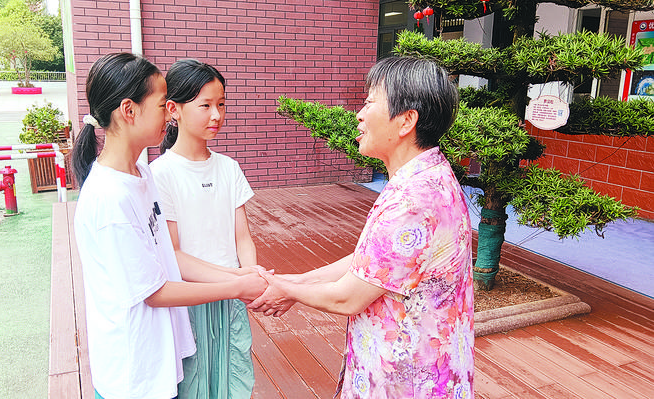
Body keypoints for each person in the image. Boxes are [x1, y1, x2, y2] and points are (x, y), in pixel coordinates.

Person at [249, 56, 474, 399]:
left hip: (407, 381)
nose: (359, 114)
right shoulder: (428, 177)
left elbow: (348, 296)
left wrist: (287, 290)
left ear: (406, 121)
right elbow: (371, 264)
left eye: (370, 102)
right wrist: (291, 282)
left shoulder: (413, 200)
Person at [71, 52, 267, 399]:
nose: (169, 112)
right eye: (163, 105)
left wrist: (243, 276)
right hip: (133, 377)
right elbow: (156, 291)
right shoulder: (110, 199)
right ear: (129, 111)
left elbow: (166, 258)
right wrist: (238, 286)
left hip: (159, 358)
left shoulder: (140, 175)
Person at [150, 59, 257, 399]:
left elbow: (243, 237)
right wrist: (239, 282)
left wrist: (251, 274)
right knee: (193, 382)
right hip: (191, 298)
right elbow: (174, 254)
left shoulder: (229, 168)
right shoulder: (161, 174)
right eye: (206, 105)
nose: (217, 115)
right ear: (174, 110)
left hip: (233, 294)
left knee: (232, 377)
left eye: (221, 104)